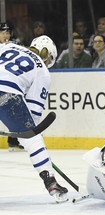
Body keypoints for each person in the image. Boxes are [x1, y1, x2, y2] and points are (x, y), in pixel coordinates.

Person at [0, 35, 68, 202]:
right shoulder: (42, 71)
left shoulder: (9, 46)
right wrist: (24, 137)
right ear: (49, 58)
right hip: (7, 94)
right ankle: (51, 182)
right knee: (33, 138)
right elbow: (33, 117)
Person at [0, 22, 25, 151]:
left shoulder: (14, 47)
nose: (6, 35)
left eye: (8, 33)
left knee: (13, 111)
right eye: (3, 33)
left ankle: (14, 140)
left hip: (10, 85)